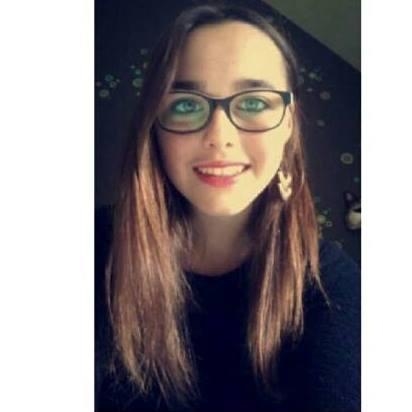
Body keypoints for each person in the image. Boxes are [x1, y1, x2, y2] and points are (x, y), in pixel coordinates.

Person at [95, 1, 361, 411]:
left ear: (288, 124)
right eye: (186, 104)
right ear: (154, 126)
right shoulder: (94, 250)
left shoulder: (331, 285)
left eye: (254, 103)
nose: (220, 136)